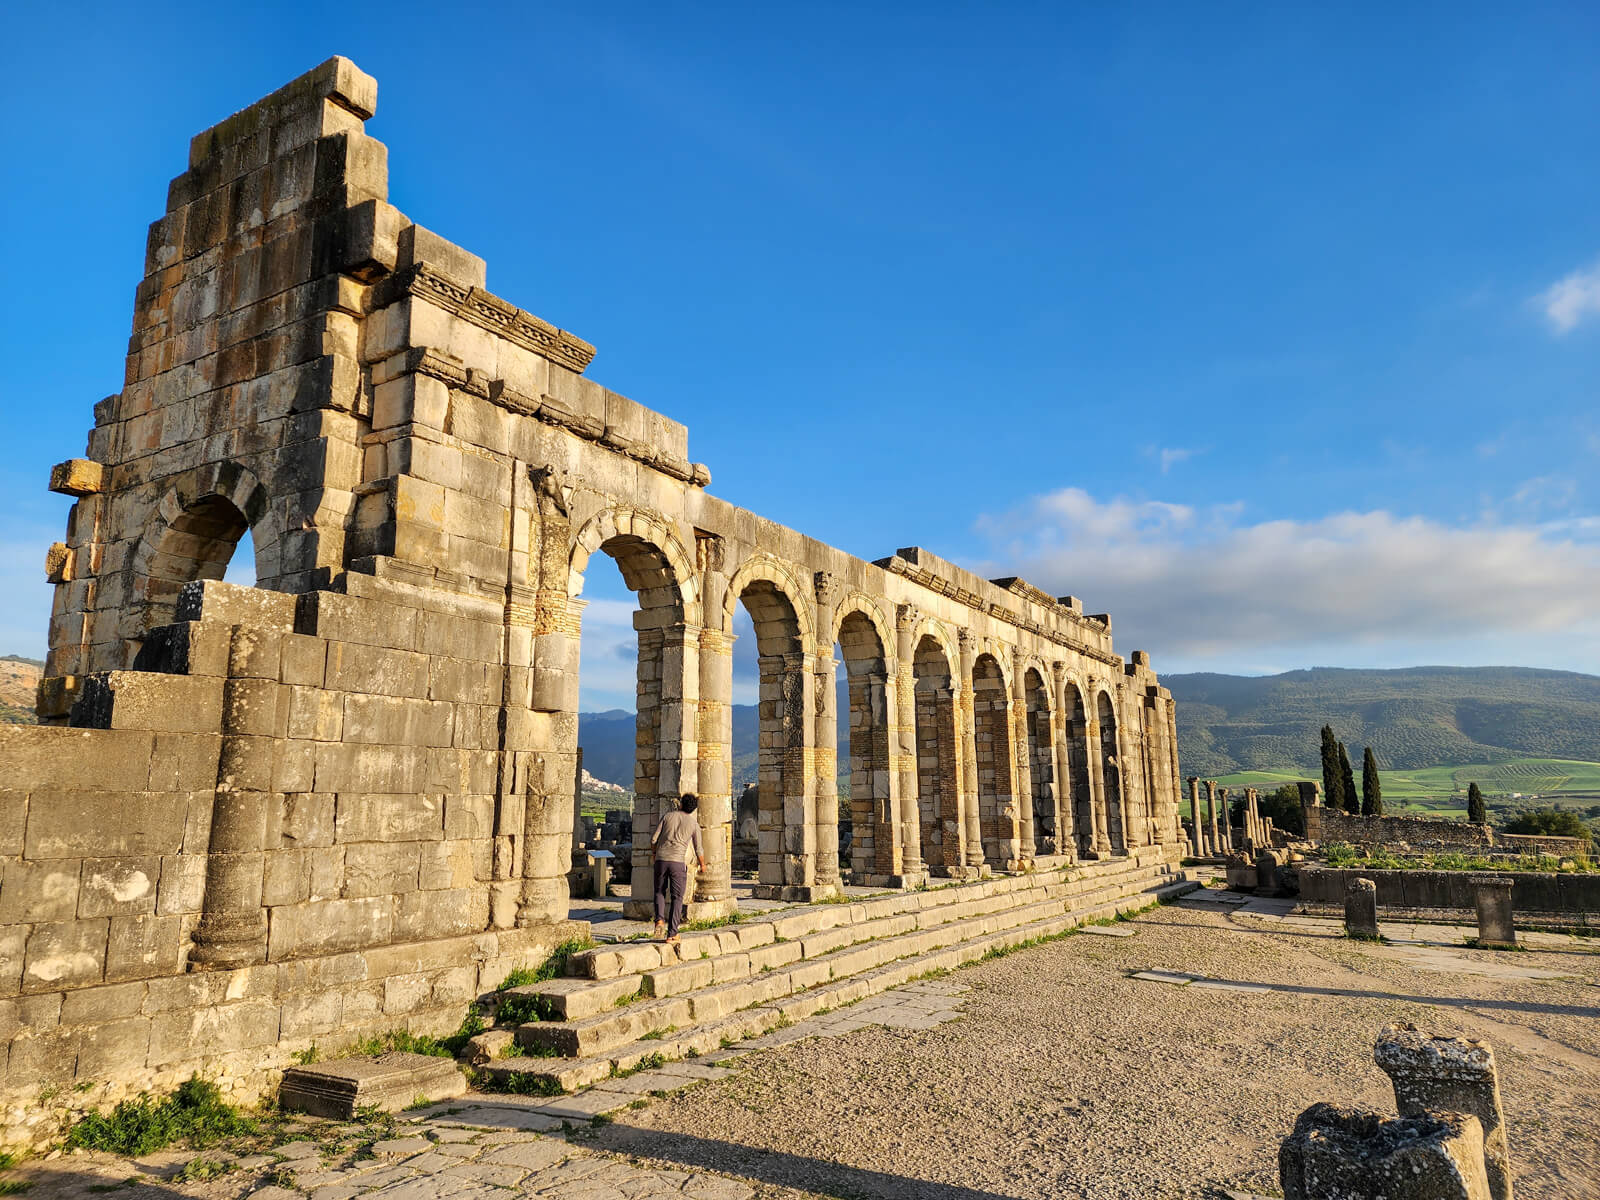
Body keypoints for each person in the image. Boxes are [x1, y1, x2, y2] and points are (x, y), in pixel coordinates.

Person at [650, 793, 706, 943]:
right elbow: (698, 848)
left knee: (659, 891)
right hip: (677, 862)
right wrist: (702, 864)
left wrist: (654, 854)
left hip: (661, 859)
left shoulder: (668, 816)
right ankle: (672, 934)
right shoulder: (693, 824)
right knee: (677, 898)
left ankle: (659, 920)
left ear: (681, 804)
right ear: (693, 809)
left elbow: (654, 839)